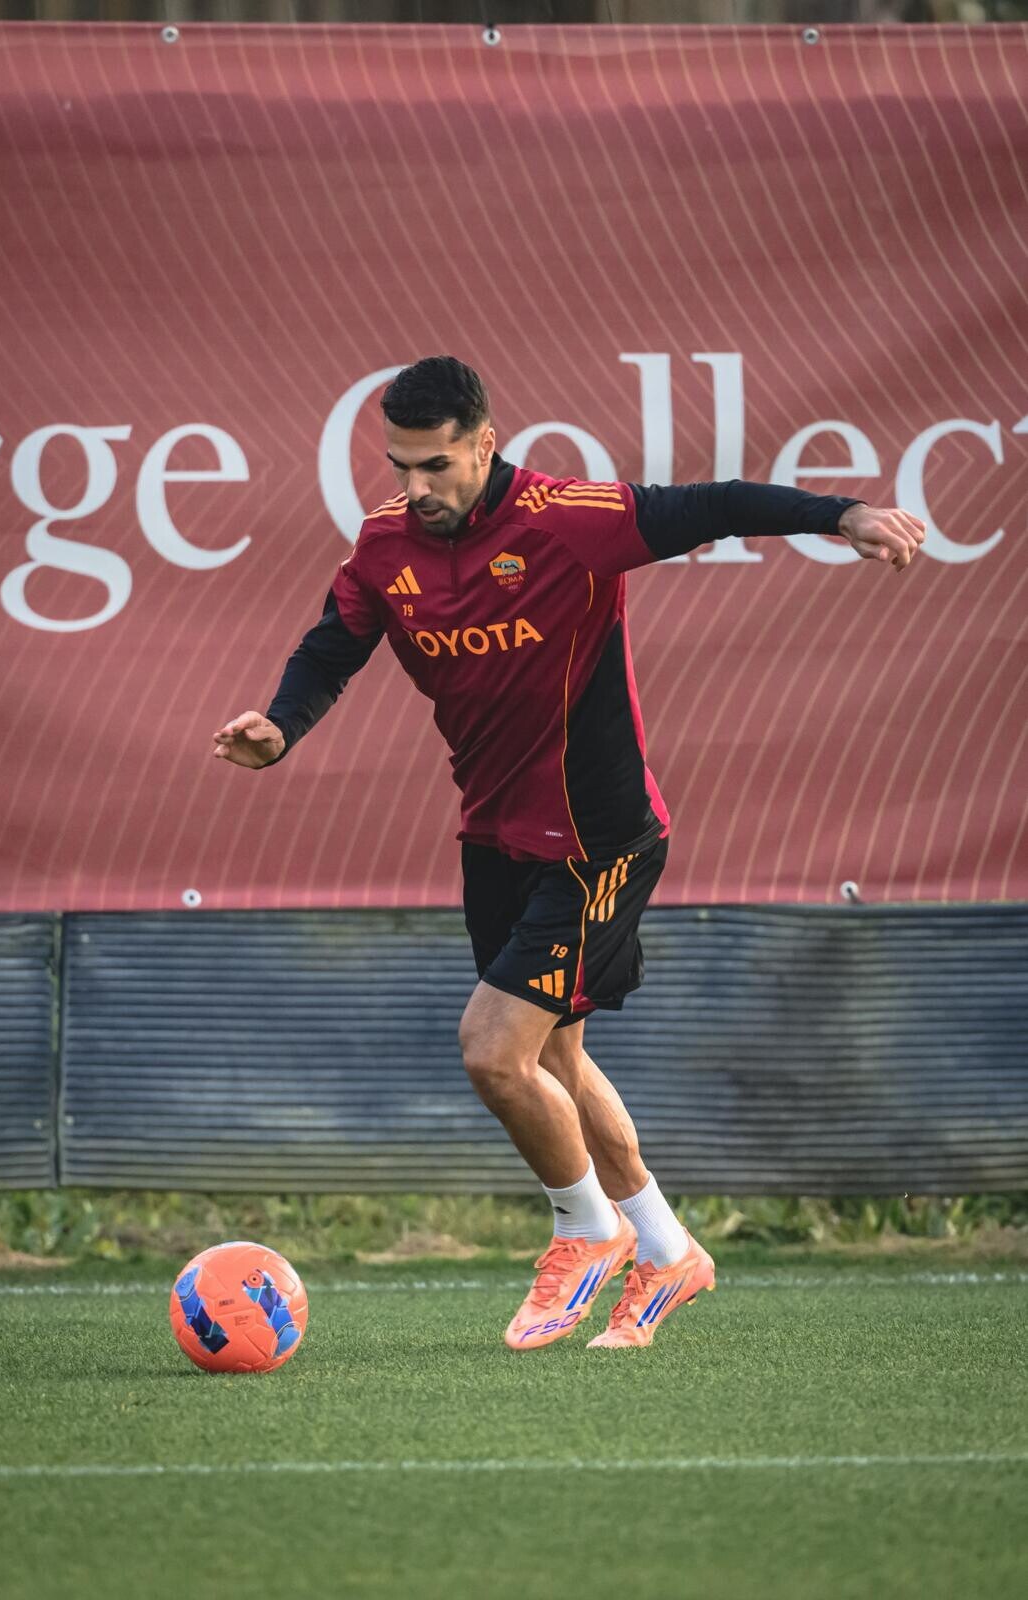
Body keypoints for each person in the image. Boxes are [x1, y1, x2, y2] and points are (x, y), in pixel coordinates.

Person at [213, 355, 925, 1351]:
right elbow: (334, 643)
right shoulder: (384, 543)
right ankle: (668, 1249)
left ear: (483, 442)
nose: (417, 486)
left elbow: (715, 503)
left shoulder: (567, 519)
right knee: (553, 1058)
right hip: (494, 834)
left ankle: (584, 1229)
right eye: (400, 465)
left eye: (435, 464)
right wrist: (281, 726)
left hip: (598, 838)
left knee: (491, 1051)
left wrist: (841, 514)